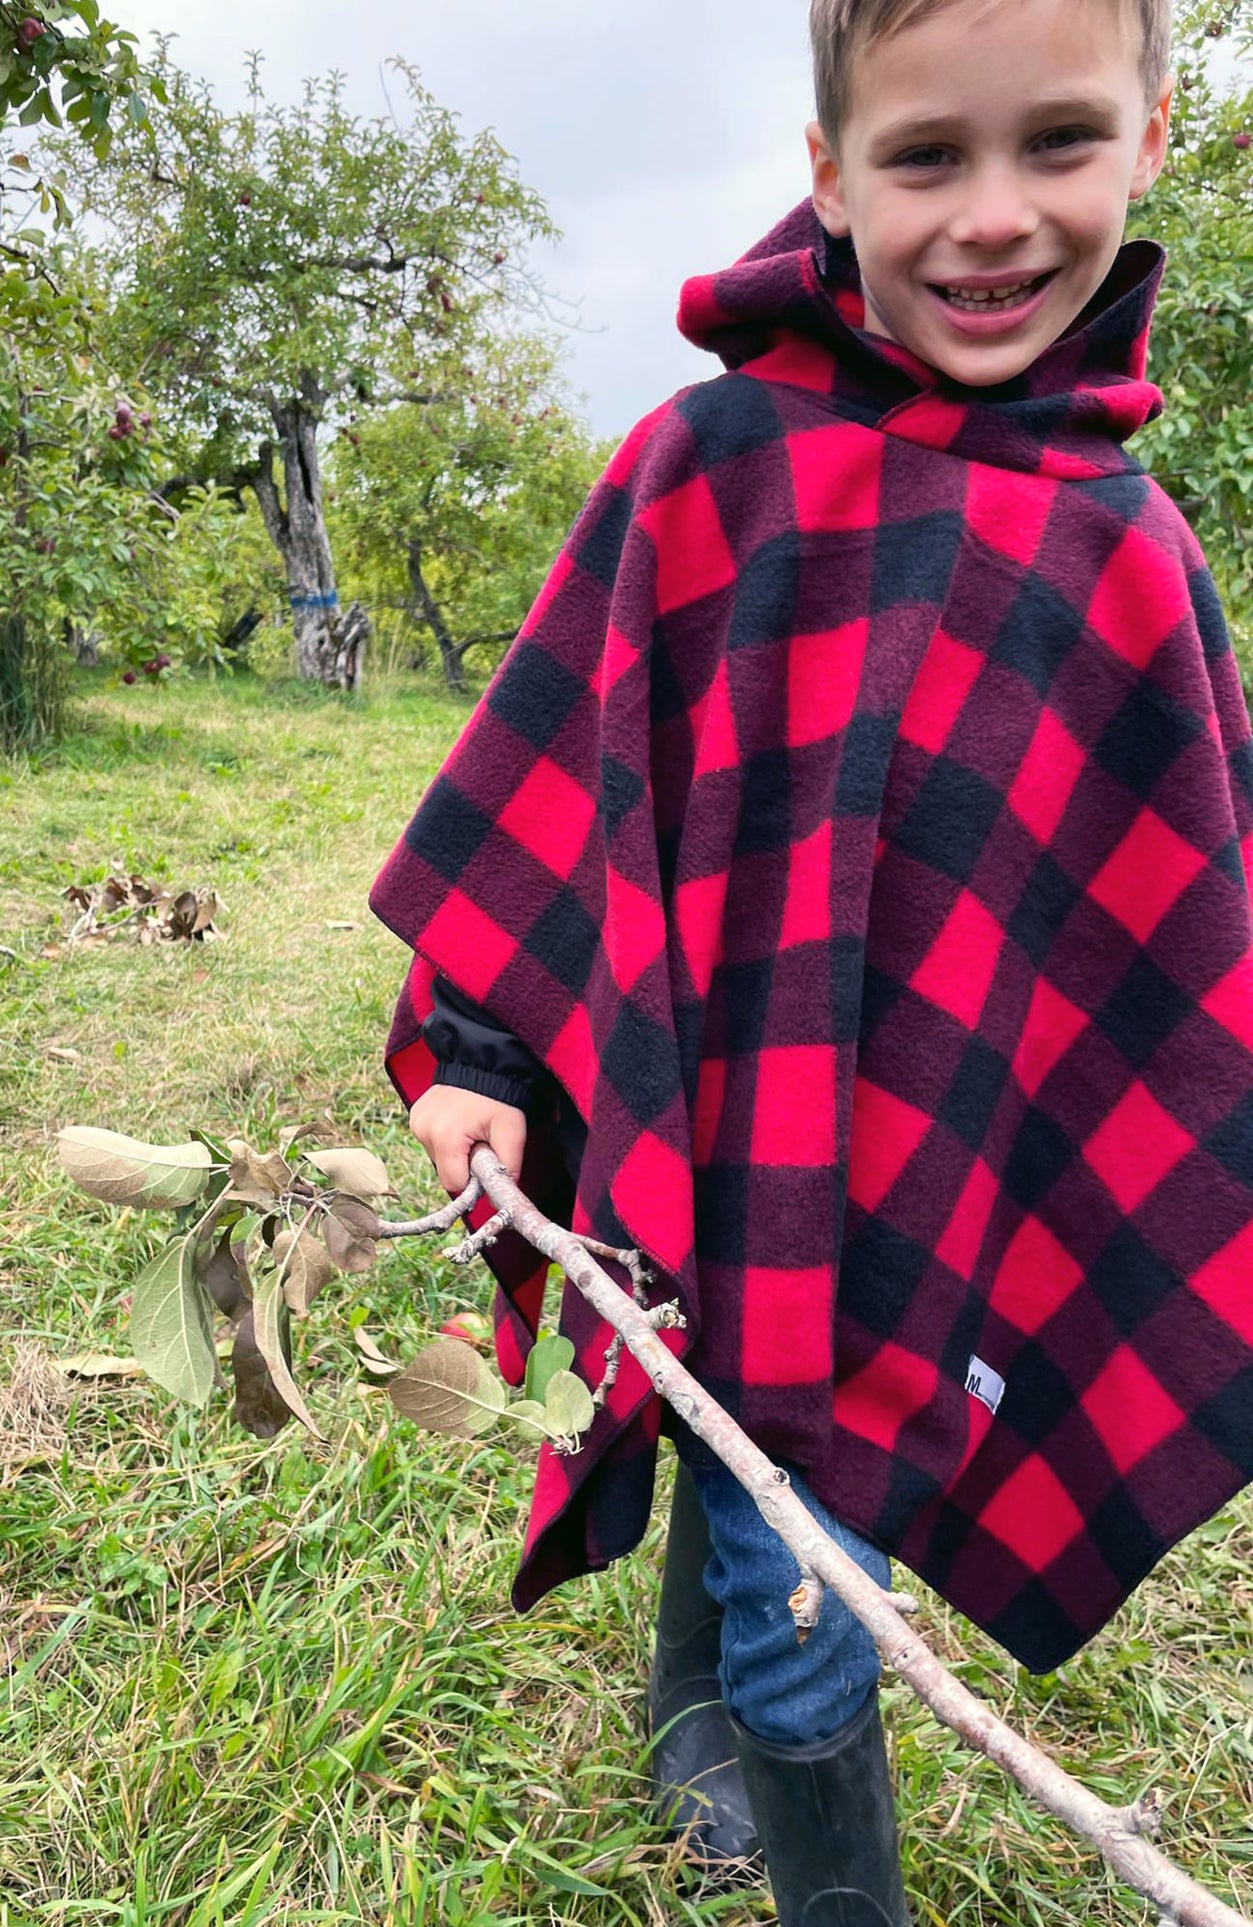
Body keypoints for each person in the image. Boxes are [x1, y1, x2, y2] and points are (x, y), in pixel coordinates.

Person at [370, 0, 1253, 1919]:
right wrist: (480, 1054)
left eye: (1060, 144)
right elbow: (563, 799)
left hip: (916, 1187)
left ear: (1153, 139)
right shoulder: (707, 465)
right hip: (712, 1117)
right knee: (717, 1407)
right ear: (829, 171)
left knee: (809, 1518)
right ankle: (794, 1836)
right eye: (926, 156)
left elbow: (1171, 948)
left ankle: (724, 1715)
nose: (992, 217)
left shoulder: (1126, 554)